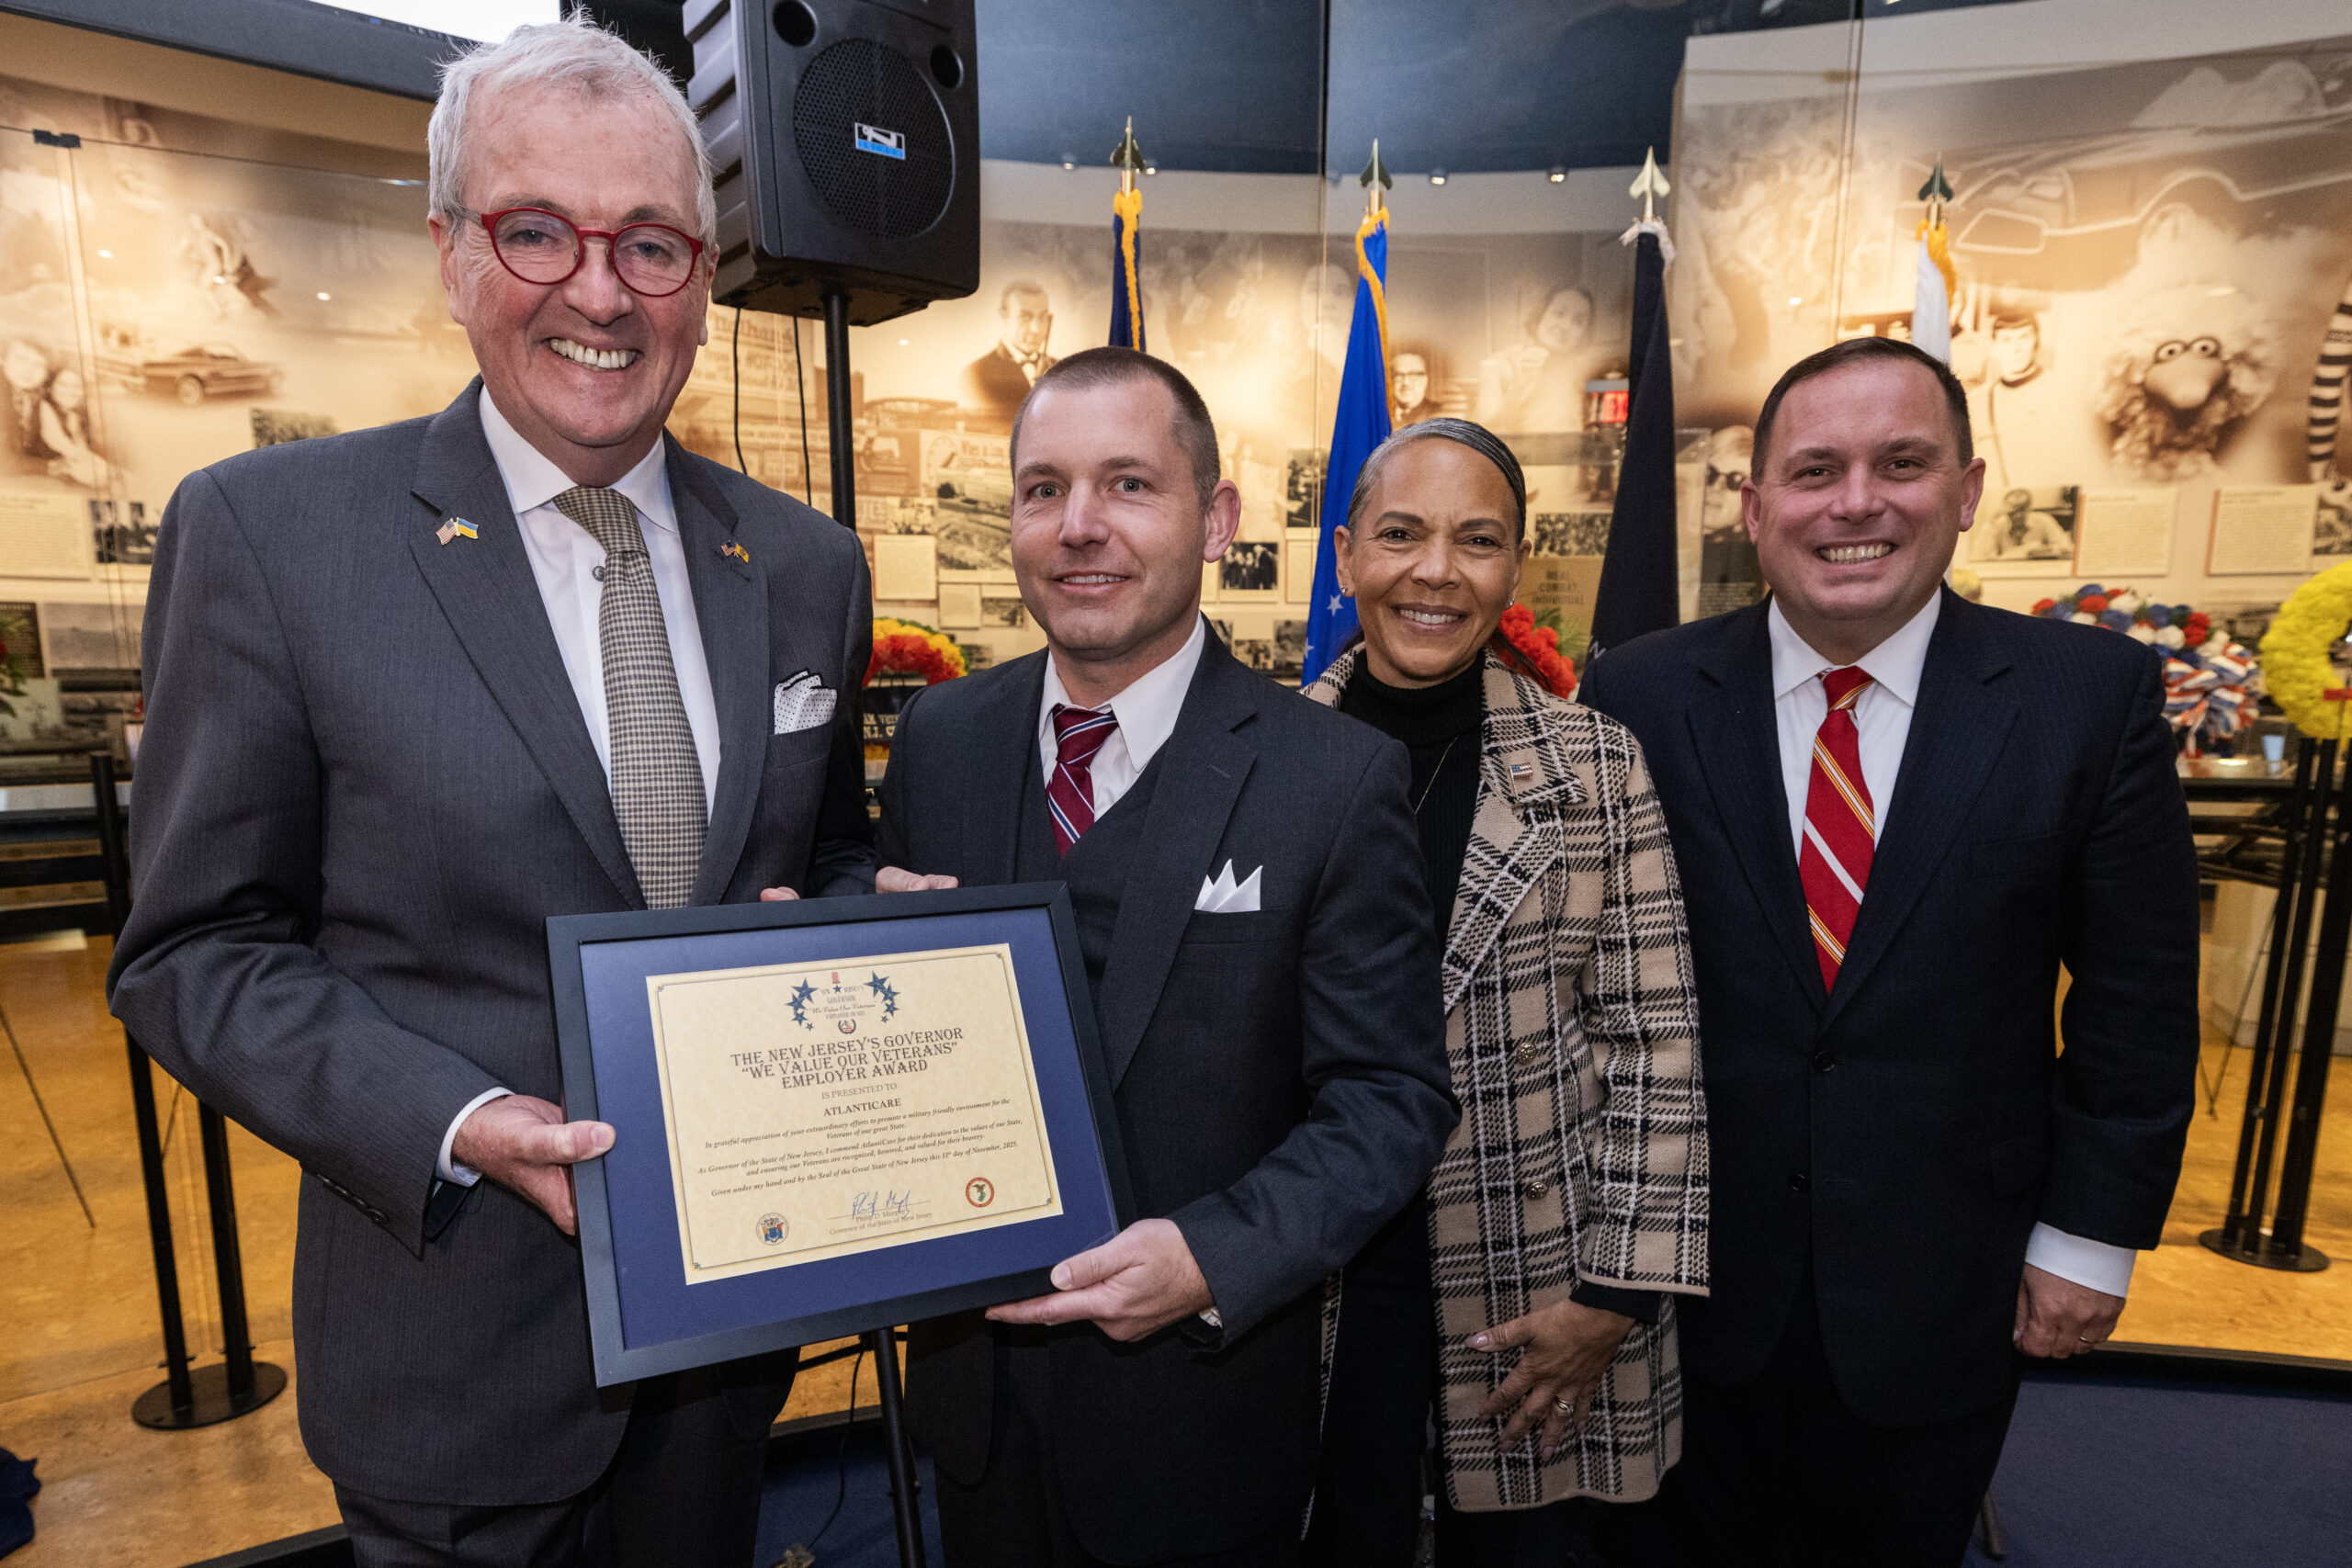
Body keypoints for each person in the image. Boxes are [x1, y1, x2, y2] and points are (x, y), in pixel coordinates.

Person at [106, 18, 876, 1565]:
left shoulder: (807, 566)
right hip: (452, 1350)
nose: (600, 292)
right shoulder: (271, 535)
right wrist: (460, 1119)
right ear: (455, 251)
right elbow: (196, 951)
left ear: (705, 282)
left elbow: (824, 860)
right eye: (541, 232)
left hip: (729, 1343)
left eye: (652, 245)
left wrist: (878, 928)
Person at [1578, 336, 2199, 1566]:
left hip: (1945, 1288)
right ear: (1756, 508)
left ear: (1967, 489)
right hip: (1683, 1288)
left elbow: (2137, 994)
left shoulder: (2091, 697)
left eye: (1901, 461)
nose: (1856, 501)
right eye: (1816, 470)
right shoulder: (1638, 694)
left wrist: (2088, 1238)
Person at [869, 346, 1458, 1568]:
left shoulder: (1334, 779)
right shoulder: (942, 737)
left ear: (1216, 519)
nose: (1078, 526)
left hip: (1200, 1420)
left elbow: (1390, 1101)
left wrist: (1212, 1256)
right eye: (1043, 488)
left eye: (1128, 484)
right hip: (977, 1411)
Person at [1299, 418, 1707, 1567]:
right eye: (1400, 534)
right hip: (1327, 1270)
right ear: (1345, 557)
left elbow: (1657, 1043)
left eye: (1477, 540)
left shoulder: (1596, 765)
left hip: (1538, 1270)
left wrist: (1613, 1300)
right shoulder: (1267, 758)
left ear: (1514, 567)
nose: (1435, 571)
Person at [1475, 285, 1593, 434]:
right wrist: (1518, 388)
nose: (1565, 326)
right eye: (1559, 313)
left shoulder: (1579, 370)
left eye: (1578, 321)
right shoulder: (1497, 364)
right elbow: (1486, 433)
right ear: (1541, 315)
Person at [964, 278, 1057, 418]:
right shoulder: (976, 373)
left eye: (1043, 317)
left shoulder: (1063, 369)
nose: (1036, 329)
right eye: (1025, 317)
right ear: (1004, 316)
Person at [1974, 486, 2071, 560]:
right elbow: (1983, 557)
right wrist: (1991, 520)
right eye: (2013, 511)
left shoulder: (2044, 520)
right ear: (2006, 509)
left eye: (2022, 509)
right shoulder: (1997, 525)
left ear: (2030, 508)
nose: (2018, 515)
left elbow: (2067, 547)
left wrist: (2048, 550)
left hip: (2037, 571)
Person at [1390, 345, 1443, 428]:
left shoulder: (1439, 413)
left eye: (1413, 375)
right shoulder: (1381, 414)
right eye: (1398, 375)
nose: (1405, 382)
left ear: (1425, 380)